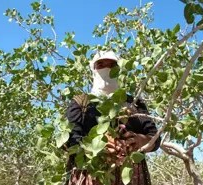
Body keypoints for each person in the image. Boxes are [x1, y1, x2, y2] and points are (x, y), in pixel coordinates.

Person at [64, 50, 161, 185]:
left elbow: (155, 138)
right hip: (90, 175)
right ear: (94, 70)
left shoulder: (135, 103)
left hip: (131, 176)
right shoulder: (80, 102)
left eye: (112, 65)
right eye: (101, 65)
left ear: (119, 70)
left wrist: (139, 140)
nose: (106, 69)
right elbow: (70, 140)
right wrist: (98, 148)